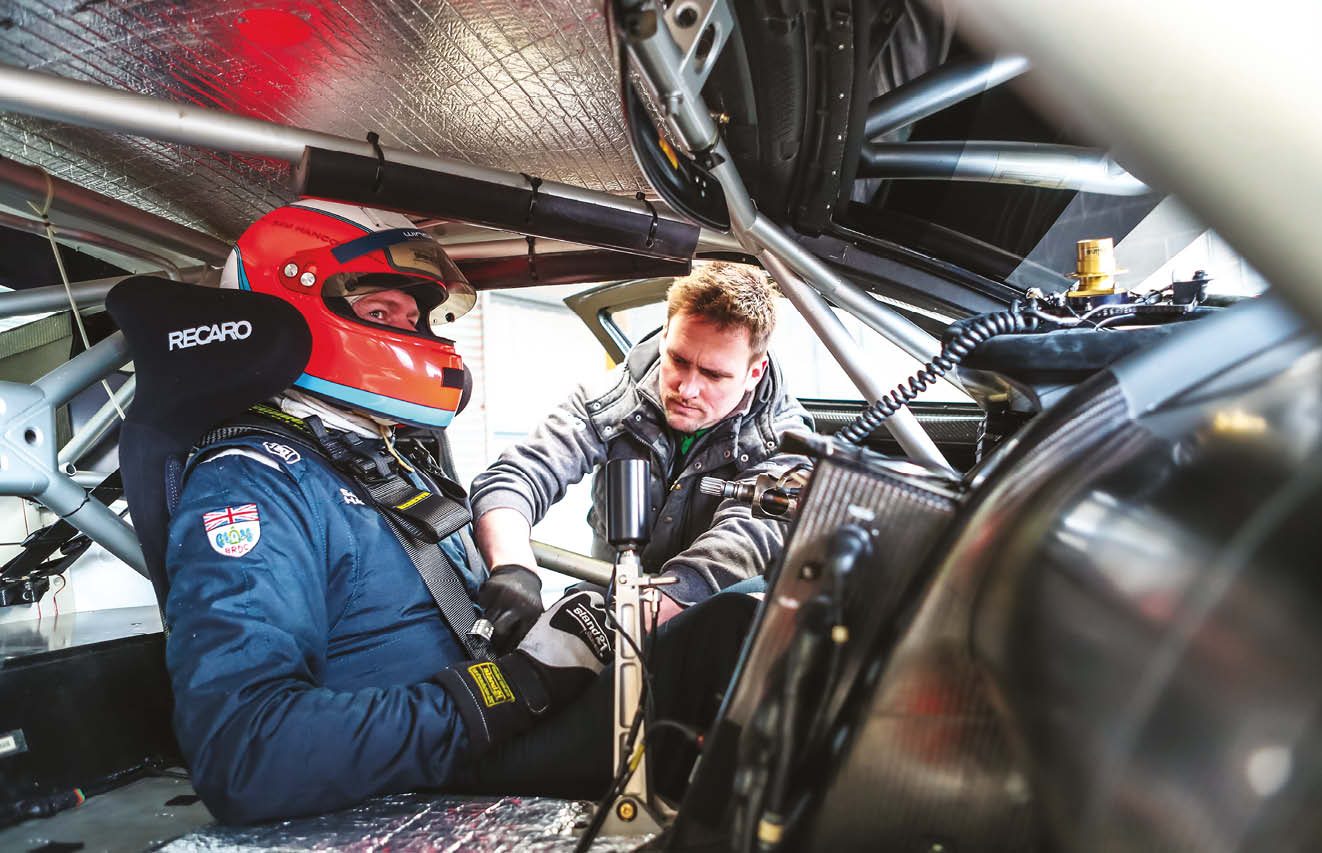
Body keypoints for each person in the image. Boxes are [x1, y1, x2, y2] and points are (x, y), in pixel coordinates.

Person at [162, 200, 756, 825]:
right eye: (380, 311)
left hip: (496, 719)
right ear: (296, 311)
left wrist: (544, 624)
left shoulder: (381, 452)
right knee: (727, 641)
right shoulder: (253, 484)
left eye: (415, 317)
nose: (412, 335)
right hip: (447, 765)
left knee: (742, 622)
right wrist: (520, 684)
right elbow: (247, 753)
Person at [470, 262, 812, 641]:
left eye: (714, 374)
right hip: (604, 604)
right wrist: (514, 567)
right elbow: (520, 473)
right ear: (666, 335)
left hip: (702, 625)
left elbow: (752, 534)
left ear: (754, 372)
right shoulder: (611, 400)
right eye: (679, 360)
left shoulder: (785, 441)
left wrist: (660, 604)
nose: (687, 389)